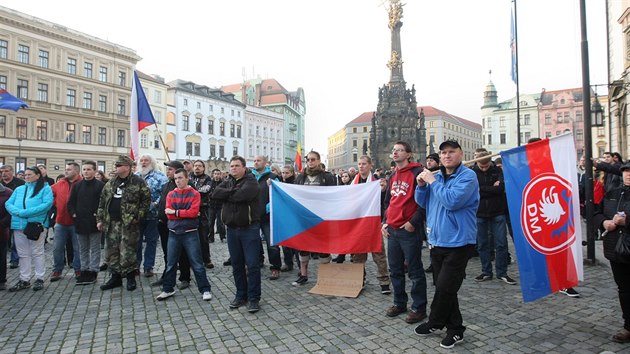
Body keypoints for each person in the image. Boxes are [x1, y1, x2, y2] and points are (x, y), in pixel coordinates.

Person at [413, 139, 479, 349]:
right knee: (446, 288)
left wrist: (432, 181)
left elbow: (451, 201)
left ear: (460, 154)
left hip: (460, 241)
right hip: (437, 239)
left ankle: (435, 322)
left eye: (451, 152)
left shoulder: (468, 176)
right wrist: (421, 187)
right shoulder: (438, 176)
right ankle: (455, 329)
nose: (447, 156)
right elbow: (422, 203)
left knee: (445, 287)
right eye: (443, 153)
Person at [381, 141, 428, 324]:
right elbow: (388, 201)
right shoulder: (393, 174)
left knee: (415, 271)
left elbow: (423, 201)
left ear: (408, 154)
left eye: (400, 150)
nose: (395, 153)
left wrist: (413, 222)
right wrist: (384, 222)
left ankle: (419, 307)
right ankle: (399, 302)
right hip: (392, 230)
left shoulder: (418, 173)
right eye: (393, 150)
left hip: (408, 230)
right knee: (395, 270)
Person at [211, 156, 262, 313]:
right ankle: (241, 295)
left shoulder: (251, 181)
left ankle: (253, 298)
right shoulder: (227, 181)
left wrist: (227, 194)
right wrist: (231, 191)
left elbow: (242, 196)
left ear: (244, 167)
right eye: (231, 166)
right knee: (237, 264)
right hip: (232, 229)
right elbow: (215, 194)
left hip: (249, 229)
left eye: (236, 165)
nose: (233, 168)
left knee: (252, 265)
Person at [156, 168, 212, 302]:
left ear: (187, 178)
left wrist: (175, 212)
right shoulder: (170, 194)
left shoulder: (194, 194)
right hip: (174, 233)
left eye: (180, 178)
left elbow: (193, 213)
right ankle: (168, 289)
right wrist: (181, 213)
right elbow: (167, 213)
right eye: (176, 179)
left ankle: (205, 289)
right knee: (171, 263)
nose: (178, 181)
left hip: (190, 233)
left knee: (197, 263)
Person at [97, 155, 151, 291]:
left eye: (118, 166)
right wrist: (100, 219)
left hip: (129, 223)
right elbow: (102, 202)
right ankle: (115, 277)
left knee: (128, 251)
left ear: (127, 167)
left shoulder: (138, 182)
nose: (116, 168)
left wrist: (138, 217)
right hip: (111, 222)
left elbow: (146, 201)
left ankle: (130, 277)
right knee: (111, 251)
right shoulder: (111, 183)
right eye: (116, 166)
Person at [593, 162, 630, 343]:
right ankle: (628, 326)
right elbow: (596, 213)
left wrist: (626, 222)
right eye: (626, 171)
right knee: (624, 290)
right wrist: (604, 223)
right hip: (616, 250)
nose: (628, 174)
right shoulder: (613, 193)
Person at [5, 166, 54, 291]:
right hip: (18, 225)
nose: (26, 177)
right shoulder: (19, 189)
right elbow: (8, 203)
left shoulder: (45, 188)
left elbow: (46, 205)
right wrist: (18, 212)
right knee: (23, 254)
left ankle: (39, 278)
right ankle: (24, 279)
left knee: (37, 252)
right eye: (25, 175)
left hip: (35, 225)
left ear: (37, 175)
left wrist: (25, 212)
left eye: (29, 174)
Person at [471, 151, 516, 285]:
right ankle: (486, 271)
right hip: (479, 212)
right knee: (483, 244)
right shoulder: (472, 172)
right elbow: (473, 191)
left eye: (486, 166)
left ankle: (502, 272)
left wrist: (483, 189)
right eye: (481, 166)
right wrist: (491, 188)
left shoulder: (497, 170)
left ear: (490, 162)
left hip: (497, 212)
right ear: (477, 162)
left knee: (501, 243)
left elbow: (501, 189)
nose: (484, 168)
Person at [292, 151, 336, 286]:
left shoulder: (327, 177)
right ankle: (303, 274)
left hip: (322, 217)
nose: (310, 162)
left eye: (313, 159)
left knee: (323, 247)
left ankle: (325, 276)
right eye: (308, 160)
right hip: (304, 217)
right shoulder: (301, 177)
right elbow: (293, 193)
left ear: (318, 160)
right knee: (303, 246)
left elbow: (333, 195)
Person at [351, 155, 391, 294]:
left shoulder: (376, 182)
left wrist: (384, 190)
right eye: (359, 164)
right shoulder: (353, 183)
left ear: (370, 165)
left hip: (374, 222)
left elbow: (385, 201)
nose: (361, 166)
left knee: (379, 254)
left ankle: (384, 281)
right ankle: (358, 279)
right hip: (358, 223)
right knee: (358, 254)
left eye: (364, 164)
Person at [151, 160, 191, 289]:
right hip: (163, 224)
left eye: (170, 169)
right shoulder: (167, 184)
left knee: (182, 253)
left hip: (178, 225)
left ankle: (185, 277)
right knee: (167, 253)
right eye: (167, 169)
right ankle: (167, 276)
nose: (167, 172)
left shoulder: (185, 187)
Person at [68, 161, 105, 285]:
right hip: (80, 221)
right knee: (82, 248)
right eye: (84, 169)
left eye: (89, 169)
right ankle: (84, 270)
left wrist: (100, 217)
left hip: (95, 222)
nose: (86, 172)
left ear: (94, 171)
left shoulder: (100, 186)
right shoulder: (77, 185)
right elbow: (71, 202)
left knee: (95, 248)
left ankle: (93, 271)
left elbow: (103, 203)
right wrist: (73, 213)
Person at [136, 154, 168, 277]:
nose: (143, 162)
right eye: (142, 160)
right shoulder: (135, 176)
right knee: (136, 241)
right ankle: (136, 265)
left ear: (152, 162)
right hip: (137, 215)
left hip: (153, 215)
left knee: (151, 241)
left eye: (146, 160)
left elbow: (164, 193)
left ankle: (148, 266)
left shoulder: (160, 176)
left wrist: (155, 204)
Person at [50, 162, 83, 281]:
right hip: (60, 221)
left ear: (76, 171)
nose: (66, 171)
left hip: (76, 222)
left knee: (77, 248)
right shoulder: (60, 184)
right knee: (57, 248)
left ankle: (78, 269)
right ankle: (57, 270)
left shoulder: (82, 183)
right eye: (66, 169)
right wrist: (55, 203)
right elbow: (49, 195)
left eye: (69, 169)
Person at [252, 155, 282, 280]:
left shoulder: (273, 177)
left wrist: (268, 207)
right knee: (253, 241)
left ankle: (275, 267)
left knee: (272, 243)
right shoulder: (250, 177)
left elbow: (279, 195)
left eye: (258, 160)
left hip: (267, 216)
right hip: (252, 215)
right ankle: (259, 260)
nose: (256, 163)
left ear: (265, 163)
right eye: (254, 161)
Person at [189, 160, 214, 269]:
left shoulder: (207, 179)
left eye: (199, 166)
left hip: (202, 209)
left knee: (203, 236)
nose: (197, 168)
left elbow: (205, 190)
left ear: (203, 168)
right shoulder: (188, 177)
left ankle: (206, 259)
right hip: (189, 209)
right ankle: (190, 260)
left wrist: (191, 190)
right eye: (195, 166)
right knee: (189, 237)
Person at [279, 165, 297, 272]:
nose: (284, 175)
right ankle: (288, 263)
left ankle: (300, 265)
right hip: (283, 215)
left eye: (286, 173)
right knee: (285, 242)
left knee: (295, 242)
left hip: (294, 216)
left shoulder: (295, 183)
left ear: (291, 173)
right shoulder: (281, 184)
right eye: (282, 173)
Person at [208, 169, 226, 243]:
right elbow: (208, 192)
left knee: (220, 222)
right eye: (215, 173)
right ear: (213, 174)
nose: (217, 175)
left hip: (220, 205)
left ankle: (223, 236)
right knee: (210, 222)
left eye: (218, 174)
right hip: (211, 205)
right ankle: (210, 237)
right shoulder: (210, 183)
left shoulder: (223, 183)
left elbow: (224, 193)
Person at [0, 184, 13, 290]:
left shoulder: (8, 192)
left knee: (1, 257)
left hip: (1, 230)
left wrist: (3, 224)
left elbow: (11, 211)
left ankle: (1, 280)